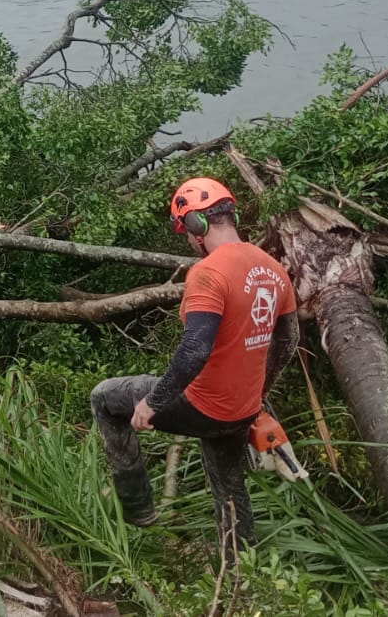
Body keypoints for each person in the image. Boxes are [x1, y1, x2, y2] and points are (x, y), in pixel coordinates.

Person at [90, 177, 299, 553]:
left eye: (185, 230)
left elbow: (195, 350)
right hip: (241, 410)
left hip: (203, 406)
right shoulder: (274, 270)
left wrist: (152, 402)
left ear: (196, 224)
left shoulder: (209, 272)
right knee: (230, 489)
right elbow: (288, 342)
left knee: (104, 398)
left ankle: (138, 510)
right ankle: (242, 572)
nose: (188, 238)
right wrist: (258, 395)